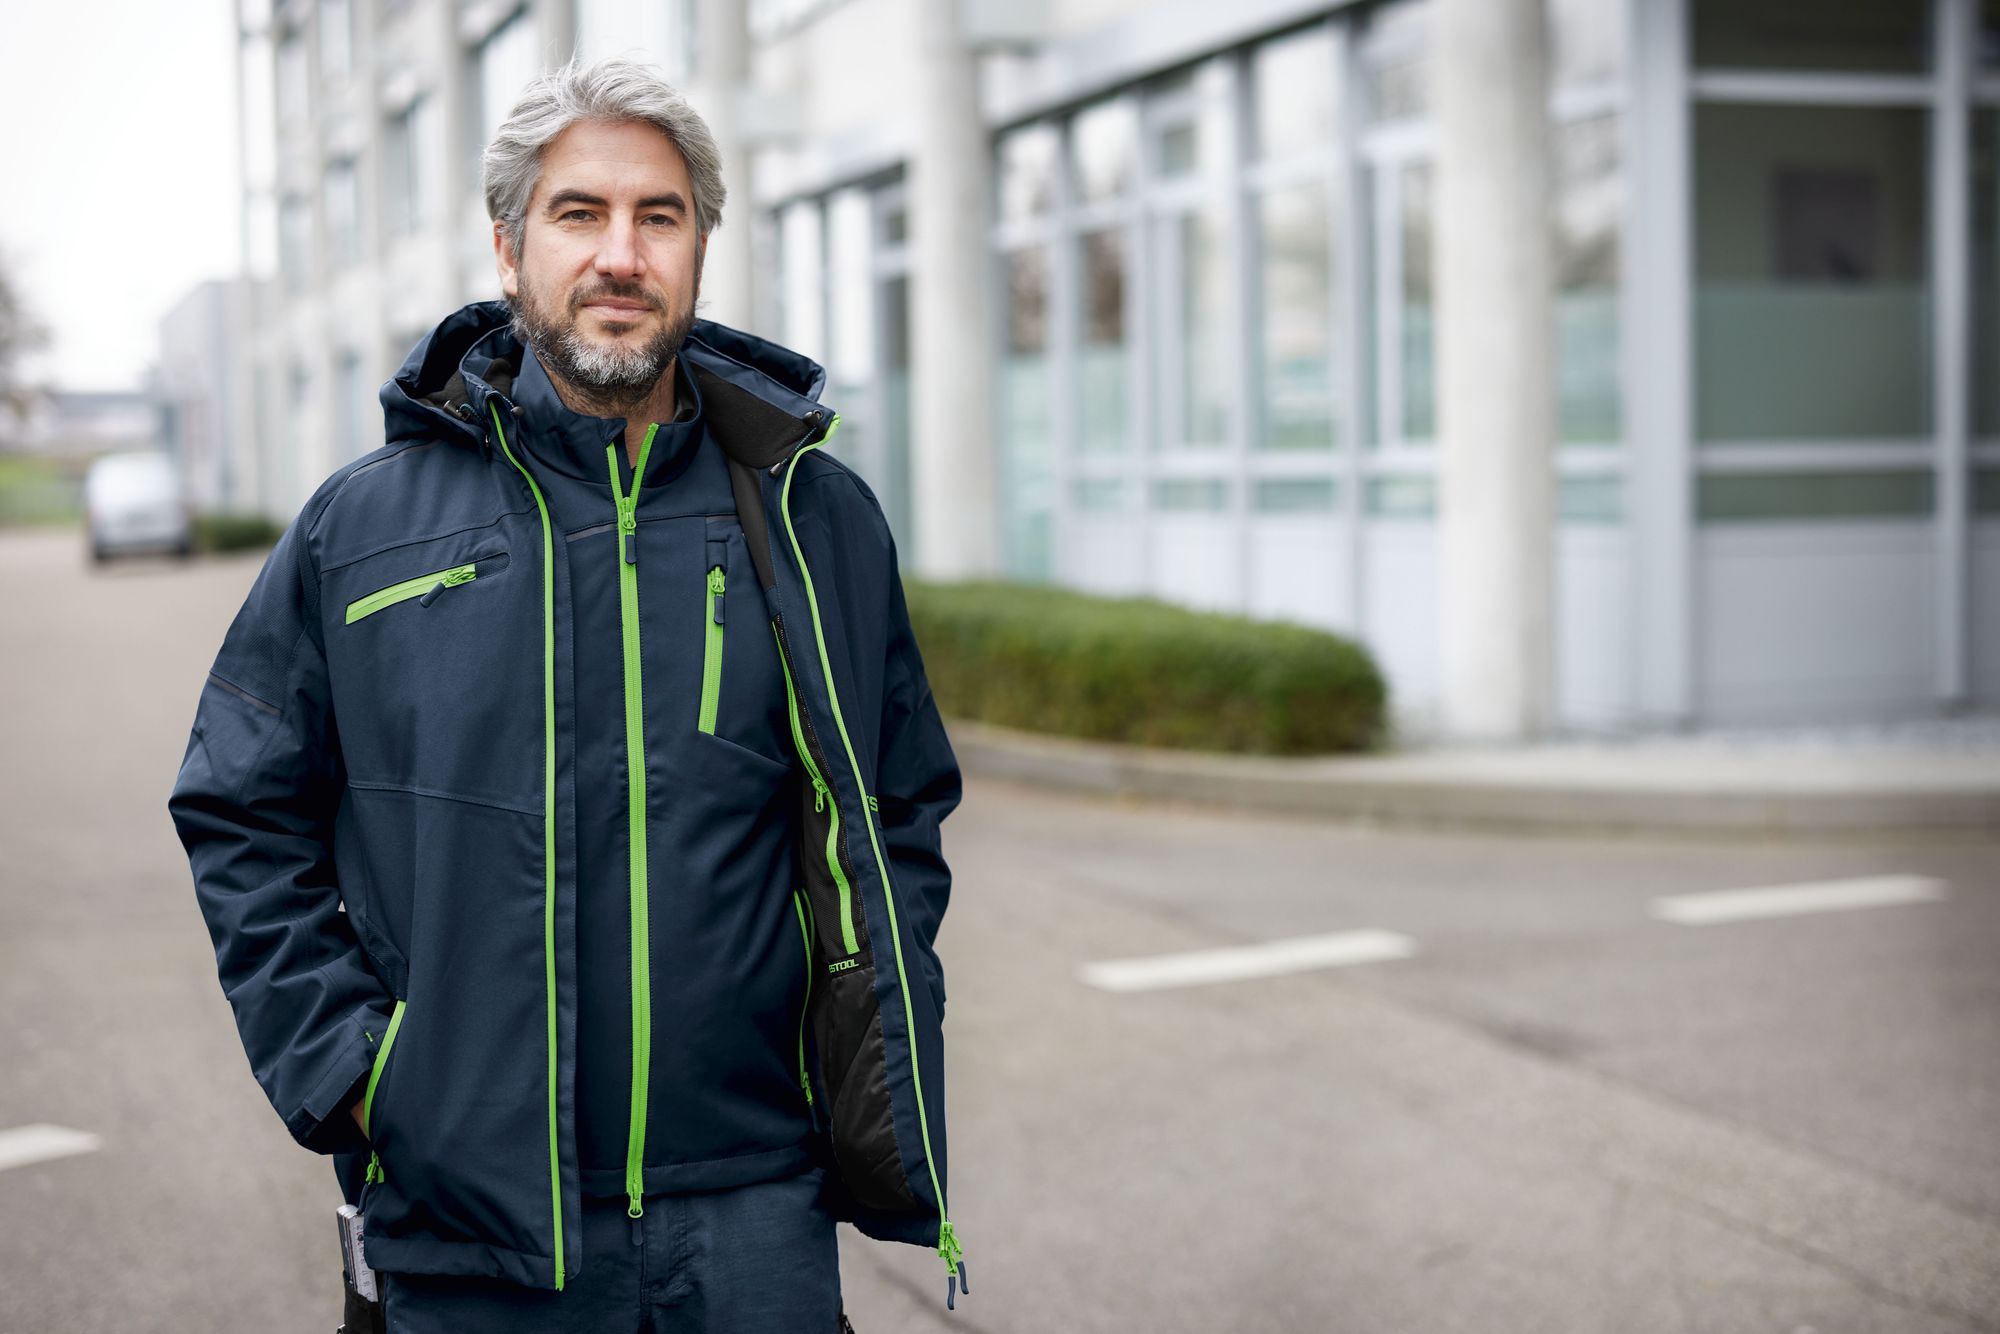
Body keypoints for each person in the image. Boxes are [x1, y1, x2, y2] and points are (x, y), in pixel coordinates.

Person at [167, 55, 967, 1332]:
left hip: (760, 1208)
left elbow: (899, 801)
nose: (620, 254)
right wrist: (361, 1073)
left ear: (699, 247)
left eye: (659, 216)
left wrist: (861, 1028)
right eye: (578, 213)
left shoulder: (816, 516)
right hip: (472, 1220)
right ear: (508, 248)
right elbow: (239, 809)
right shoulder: (359, 531)